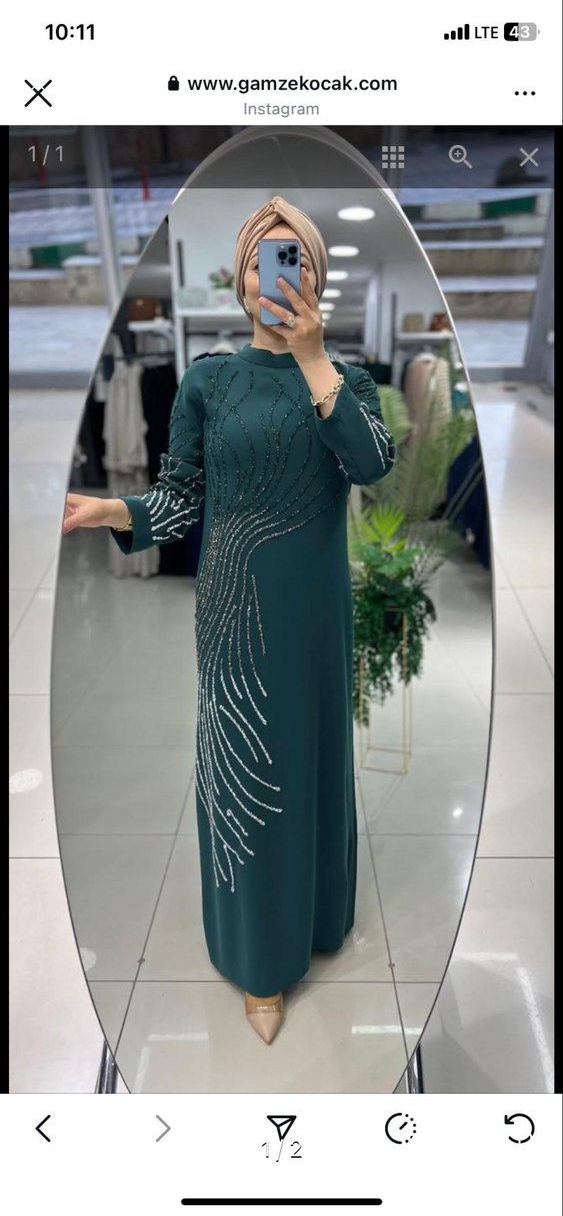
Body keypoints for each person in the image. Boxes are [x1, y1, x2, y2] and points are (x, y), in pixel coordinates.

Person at [63, 196, 396, 1045]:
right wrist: (112, 511)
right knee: (247, 764)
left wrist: (313, 358)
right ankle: (259, 961)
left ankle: (317, 920)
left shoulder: (349, 380)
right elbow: (180, 499)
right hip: (233, 617)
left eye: (295, 260)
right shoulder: (208, 382)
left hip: (315, 617)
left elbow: (371, 466)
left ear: (315, 278)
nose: (276, 276)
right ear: (240, 279)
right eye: (261, 260)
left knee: (313, 756)